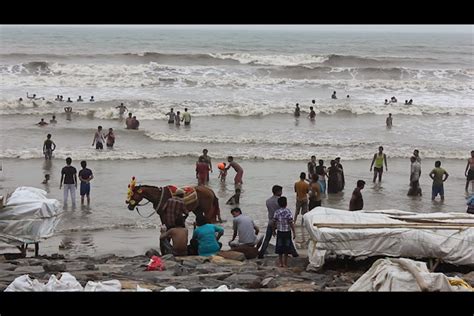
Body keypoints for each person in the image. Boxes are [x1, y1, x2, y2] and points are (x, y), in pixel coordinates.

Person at [258, 185, 298, 259]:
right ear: (278, 192)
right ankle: (294, 253)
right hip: (281, 223)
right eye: (281, 191)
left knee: (267, 238)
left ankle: (261, 253)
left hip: (271, 221)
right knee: (287, 238)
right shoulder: (280, 200)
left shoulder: (268, 201)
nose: (281, 192)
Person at [273, 196, 297, 268]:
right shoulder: (288, 211)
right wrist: (294, 232)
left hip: (280, 231)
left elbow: (274, 222)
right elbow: (291, 223)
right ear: (286, 204)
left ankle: (280, 263)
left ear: (278, 204)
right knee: (287, 247)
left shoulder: (276, 212)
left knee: (279, 247)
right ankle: (285, 263)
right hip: (287, 232)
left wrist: (274, 231)